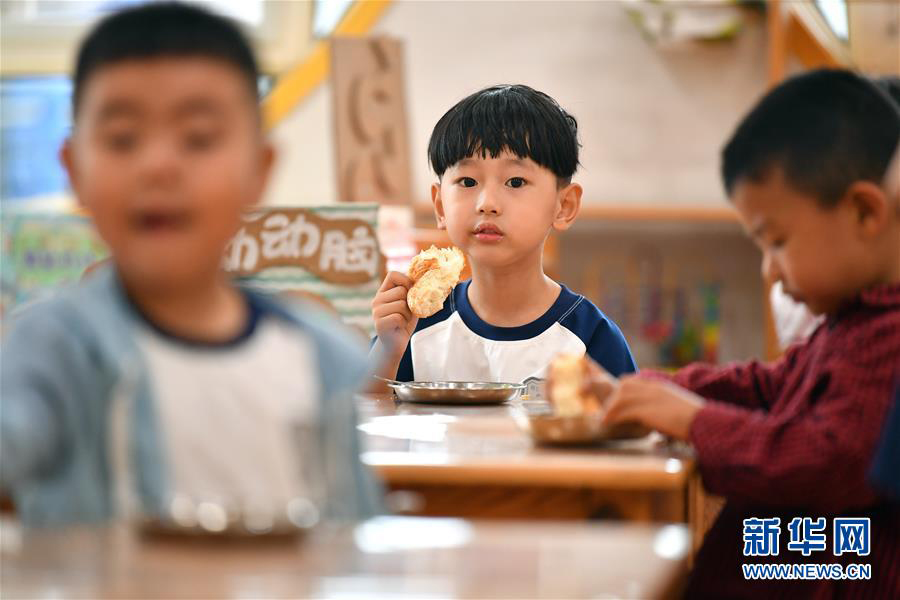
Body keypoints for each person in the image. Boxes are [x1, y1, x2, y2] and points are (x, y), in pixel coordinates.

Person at [0, 2, 381, 527]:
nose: (159, 166)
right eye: (122, 139)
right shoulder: (59, 347)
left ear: (259, 169)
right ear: (74, 169)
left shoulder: (321, 357)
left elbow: (356, 534)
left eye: (199, 138)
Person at [583, 69, 900, 597]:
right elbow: (768, 387)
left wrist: (694, 420)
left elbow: (821, 463)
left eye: (777, 242)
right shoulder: (850, 322)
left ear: (866, 212)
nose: (770, 271)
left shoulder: (889, 338)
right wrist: (654, 391)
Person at [369, 85, 636, 389]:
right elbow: (354, 413)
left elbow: (630, 417)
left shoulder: (591, 338)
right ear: (440, 206)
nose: (487, 203)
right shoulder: (415, 327)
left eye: (515, 181)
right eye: (467, 181)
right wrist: (388, 352)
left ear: (564, 206)